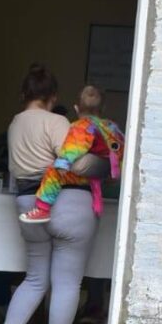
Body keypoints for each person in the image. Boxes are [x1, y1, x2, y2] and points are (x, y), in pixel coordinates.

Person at [0, 62, 100, 324]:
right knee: (66, 283)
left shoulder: (15, 123)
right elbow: (74, 161)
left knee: (35, 278)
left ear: (24, 93)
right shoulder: (56, 122)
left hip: (27, 202)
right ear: (53, 96)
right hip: (66, 201)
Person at [19, 85, 124, 224]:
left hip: (88, 174)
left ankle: (43, 209)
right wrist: (116, 169)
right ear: (103, 108)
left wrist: (63, 162)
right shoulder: (111, 126)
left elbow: (74, 146)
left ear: (76, 108)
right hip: (107, 172)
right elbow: (120, 146)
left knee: (53, 172)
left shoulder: (82, 125)